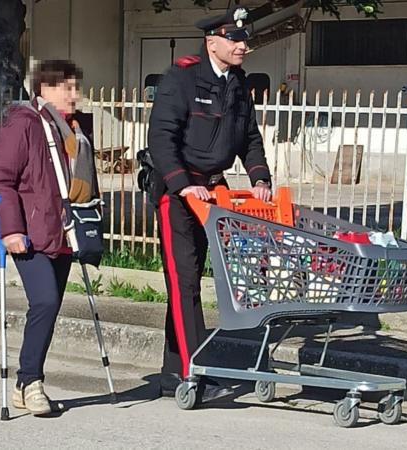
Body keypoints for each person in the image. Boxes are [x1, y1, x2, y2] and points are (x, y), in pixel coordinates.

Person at [147, 5, 273, 397]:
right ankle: (193, 373)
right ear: (212, 41)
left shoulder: (237, 84)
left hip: (212, 195)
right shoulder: (181, 79)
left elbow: (249, 138)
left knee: (190, 282)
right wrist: (183, 184)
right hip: (178, 195)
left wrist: (259, 177)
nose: (243, 45)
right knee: (183, 283)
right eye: (235, 39)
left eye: (245, 38)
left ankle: (174, 370)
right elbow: (161, 139)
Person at [0, 60, 95, 415]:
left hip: (61, 231)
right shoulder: (23, 123)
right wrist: (11, 228)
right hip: (29, 232)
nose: (74, 96)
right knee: (45, 301)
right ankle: (29, 382)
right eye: (67, 88)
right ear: (45, 89)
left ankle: (28, 383)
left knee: (48, 309)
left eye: (75, 88)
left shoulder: (68, 128)